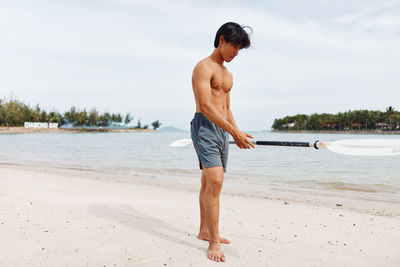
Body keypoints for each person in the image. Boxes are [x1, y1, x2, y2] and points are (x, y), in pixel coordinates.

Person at [190, 22, 254, 262]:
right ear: (222, 40)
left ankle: (204, 230)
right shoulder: (203, 67)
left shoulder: (228, 75)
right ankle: (214, 242)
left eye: (240, 50)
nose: (236, 53)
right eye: (235, 47)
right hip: (205, 127)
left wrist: (237, 132)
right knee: (216, 181)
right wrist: (232, 131)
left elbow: (226, 108)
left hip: (222, 130)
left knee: (208, 181)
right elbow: (206, 107)